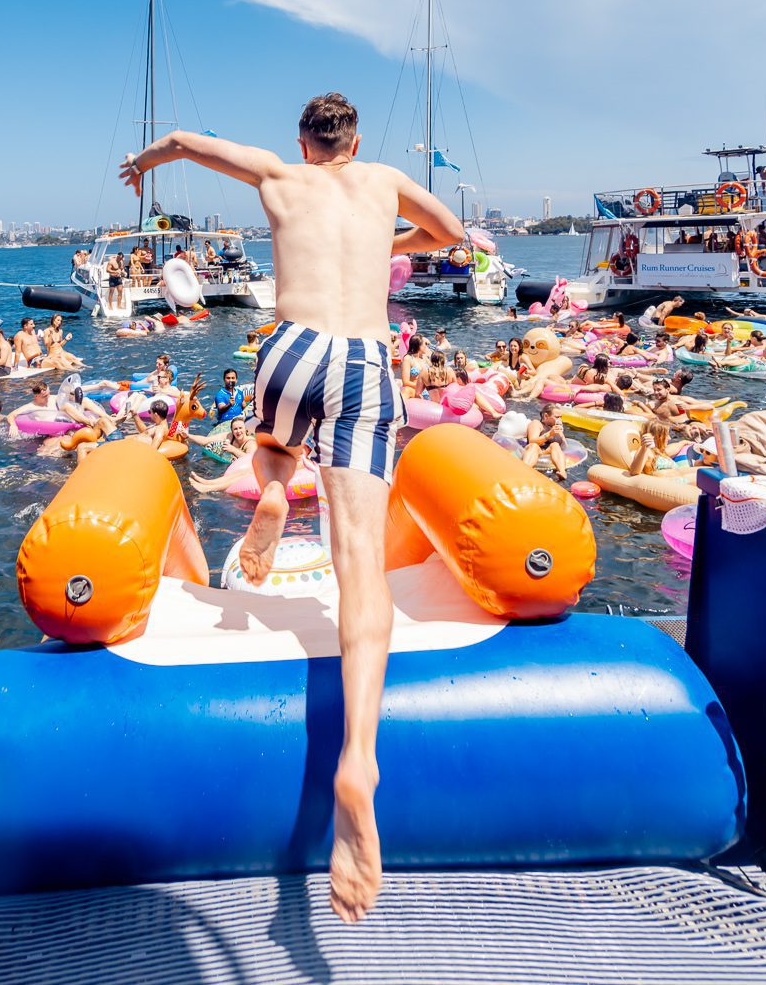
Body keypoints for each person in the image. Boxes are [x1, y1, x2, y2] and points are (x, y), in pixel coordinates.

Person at [119, 90, 464, 922]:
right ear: (353, 140)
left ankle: (272, 482)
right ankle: (357, 761)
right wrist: (394, 240)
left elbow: (190, 141)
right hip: (365, 362)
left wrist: (146, 163)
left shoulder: (279, 174)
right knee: (359, 573)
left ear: (305, 142)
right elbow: (450, 231)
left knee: (275, 439)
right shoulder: (382, 180)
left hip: (293, 349)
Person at [522, 403, 571, 476]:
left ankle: (562, 472)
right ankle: (523, 470)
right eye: (557, 417)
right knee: (534, 446)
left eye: (560, 417)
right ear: (546, 416)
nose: (560, 420)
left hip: (548, 452)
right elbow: (532, 441)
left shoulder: (557, 428)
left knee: (555, 445)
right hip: (536, 450)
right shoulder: (537, 424)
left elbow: (566, 447)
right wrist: (549, 434)